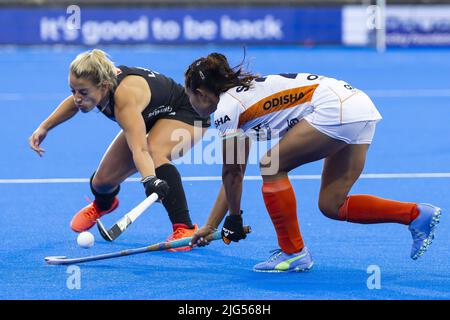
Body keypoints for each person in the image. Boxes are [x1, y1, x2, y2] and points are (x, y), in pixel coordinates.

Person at [184, 52, 442, 271]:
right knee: (333, 204)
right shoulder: (244, 97)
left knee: (271, 165)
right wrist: (212, 225)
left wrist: (235, 218)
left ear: (200, 93)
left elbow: (232, 173)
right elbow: (235, 172)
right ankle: (415, 214)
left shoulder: (227, 109)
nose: (190, 103)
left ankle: (292, 251)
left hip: (334, 109)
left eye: (189, 97)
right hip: (358, 105)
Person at [29, 49, 211, 250]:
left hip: (185, 112)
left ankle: (184, 227)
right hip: (148, 114)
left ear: (104, 86)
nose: (77, 98)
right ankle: (104, 205)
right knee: (102, 182)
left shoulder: (123, 98)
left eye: (82, 92)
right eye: (73, 91)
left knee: (154, 152)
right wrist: (44, 127)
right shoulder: (95, 86)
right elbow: (74, 103)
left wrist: (150, 180)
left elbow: (140, 149)